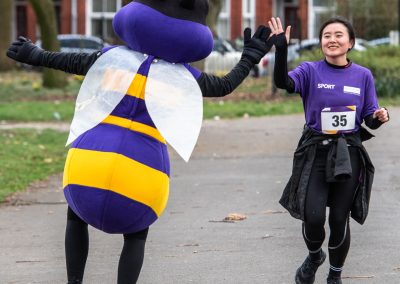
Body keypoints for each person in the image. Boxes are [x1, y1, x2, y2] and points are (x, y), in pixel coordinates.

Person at [6, 1, 274, 283]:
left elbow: (70, 61)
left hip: (90, 164)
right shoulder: (184, 77)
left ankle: (74, 281)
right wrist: (250, 56)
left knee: (75, 216)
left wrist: (34, 54)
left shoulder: (111, 58)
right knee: (136, 235)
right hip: (142, 172)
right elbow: (223, 86)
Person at [268, 16, 389, 284]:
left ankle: (335, 276)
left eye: (338, 35)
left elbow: (368, 117)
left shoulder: (363, 75)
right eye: (326, 36)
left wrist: (378, 118)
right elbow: (283, 83)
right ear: (321, 42)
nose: (332, 40)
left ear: (351, 43)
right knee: (312, 217)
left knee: (338, 219)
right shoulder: (309, 71)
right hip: (315, 152)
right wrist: (281, 50)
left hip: (348, 155)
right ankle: (314, 256)